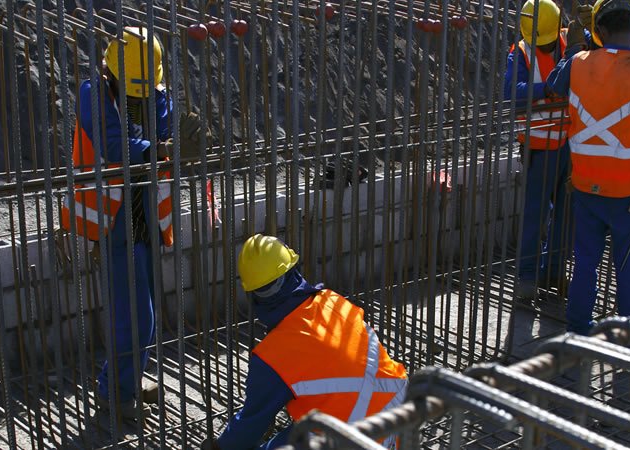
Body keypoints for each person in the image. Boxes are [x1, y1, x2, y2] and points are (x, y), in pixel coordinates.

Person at [544, 0, 630, 335]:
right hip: (628, 194)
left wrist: (578, 45)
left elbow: (554, 85)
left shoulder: (578, 63)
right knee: (627, 269)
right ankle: (629, 337)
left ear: (600, 31)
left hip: (584, 187)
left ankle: (578, 332)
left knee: (585, 264)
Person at [58, 26, 174, 420]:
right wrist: (159, 149)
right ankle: (115, 394)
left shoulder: (155, 93)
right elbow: (113, 143)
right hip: (112, 220)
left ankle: (127, 376)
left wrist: (175, 142)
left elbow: (165, 131)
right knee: (137, 317)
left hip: (145, 217)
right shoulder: (95, 93)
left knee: (144, 312)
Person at [203, 235, 409, 449]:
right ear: (294, 271)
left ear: (252, 294)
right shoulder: (332, 300)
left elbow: (248, 428)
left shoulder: (273, 356)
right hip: (401, 415)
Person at [505, 0, 592, 304]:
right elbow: (512, 94)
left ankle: (553, 270)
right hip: (539, 149)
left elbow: (599, 55)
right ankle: (527, 277)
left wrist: (591, 28)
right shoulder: (522, 51)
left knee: (568, 215)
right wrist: (548, 89)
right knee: (535, 216)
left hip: (570, 143)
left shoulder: (571, 40)